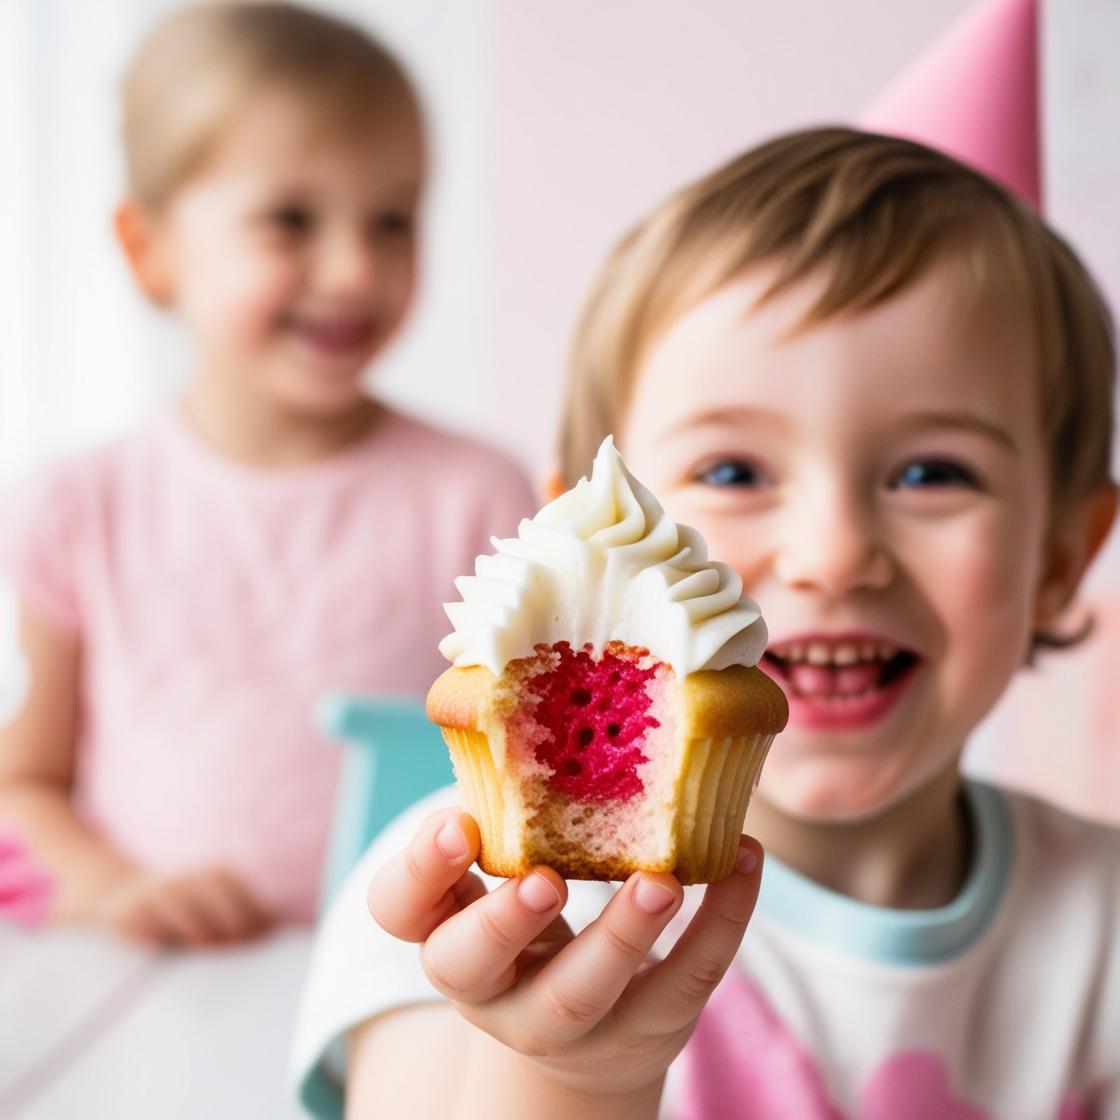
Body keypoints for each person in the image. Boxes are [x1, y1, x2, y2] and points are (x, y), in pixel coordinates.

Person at [291, 128, 1120, 1118]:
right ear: (583, 550)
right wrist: (564, 1075)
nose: (831, 552)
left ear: (1061, 558)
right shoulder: (459, 910)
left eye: (930, 472)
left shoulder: (1099, 927)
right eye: (732, 471)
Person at [0, 2, 532, 948]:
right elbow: (24, 783)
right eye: (291, 221)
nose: (353, 268)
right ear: (147, 248)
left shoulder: (479, 497)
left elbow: (523, 771)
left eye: (393, 220)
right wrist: (119, 889)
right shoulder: (79, 507)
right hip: (154, 984)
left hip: (403, 976)